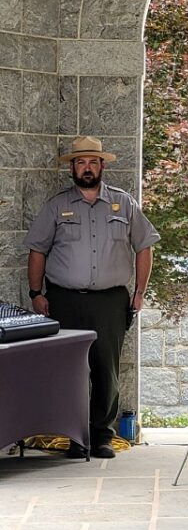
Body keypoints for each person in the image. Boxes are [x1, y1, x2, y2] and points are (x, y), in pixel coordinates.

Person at [24, 135, 160, 459]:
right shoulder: (57, 205)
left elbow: (144, 246)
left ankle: (101, 436)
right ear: (72, 167)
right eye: (80, 162)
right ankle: (75, 436)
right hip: (65, 300)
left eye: (92, 162)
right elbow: (37, 250)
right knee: (69, 370)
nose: (87, 168)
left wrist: (139, 293)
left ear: (102, 166)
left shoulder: (124, 203)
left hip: (110, 301)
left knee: (105, 368)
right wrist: (35, 293)